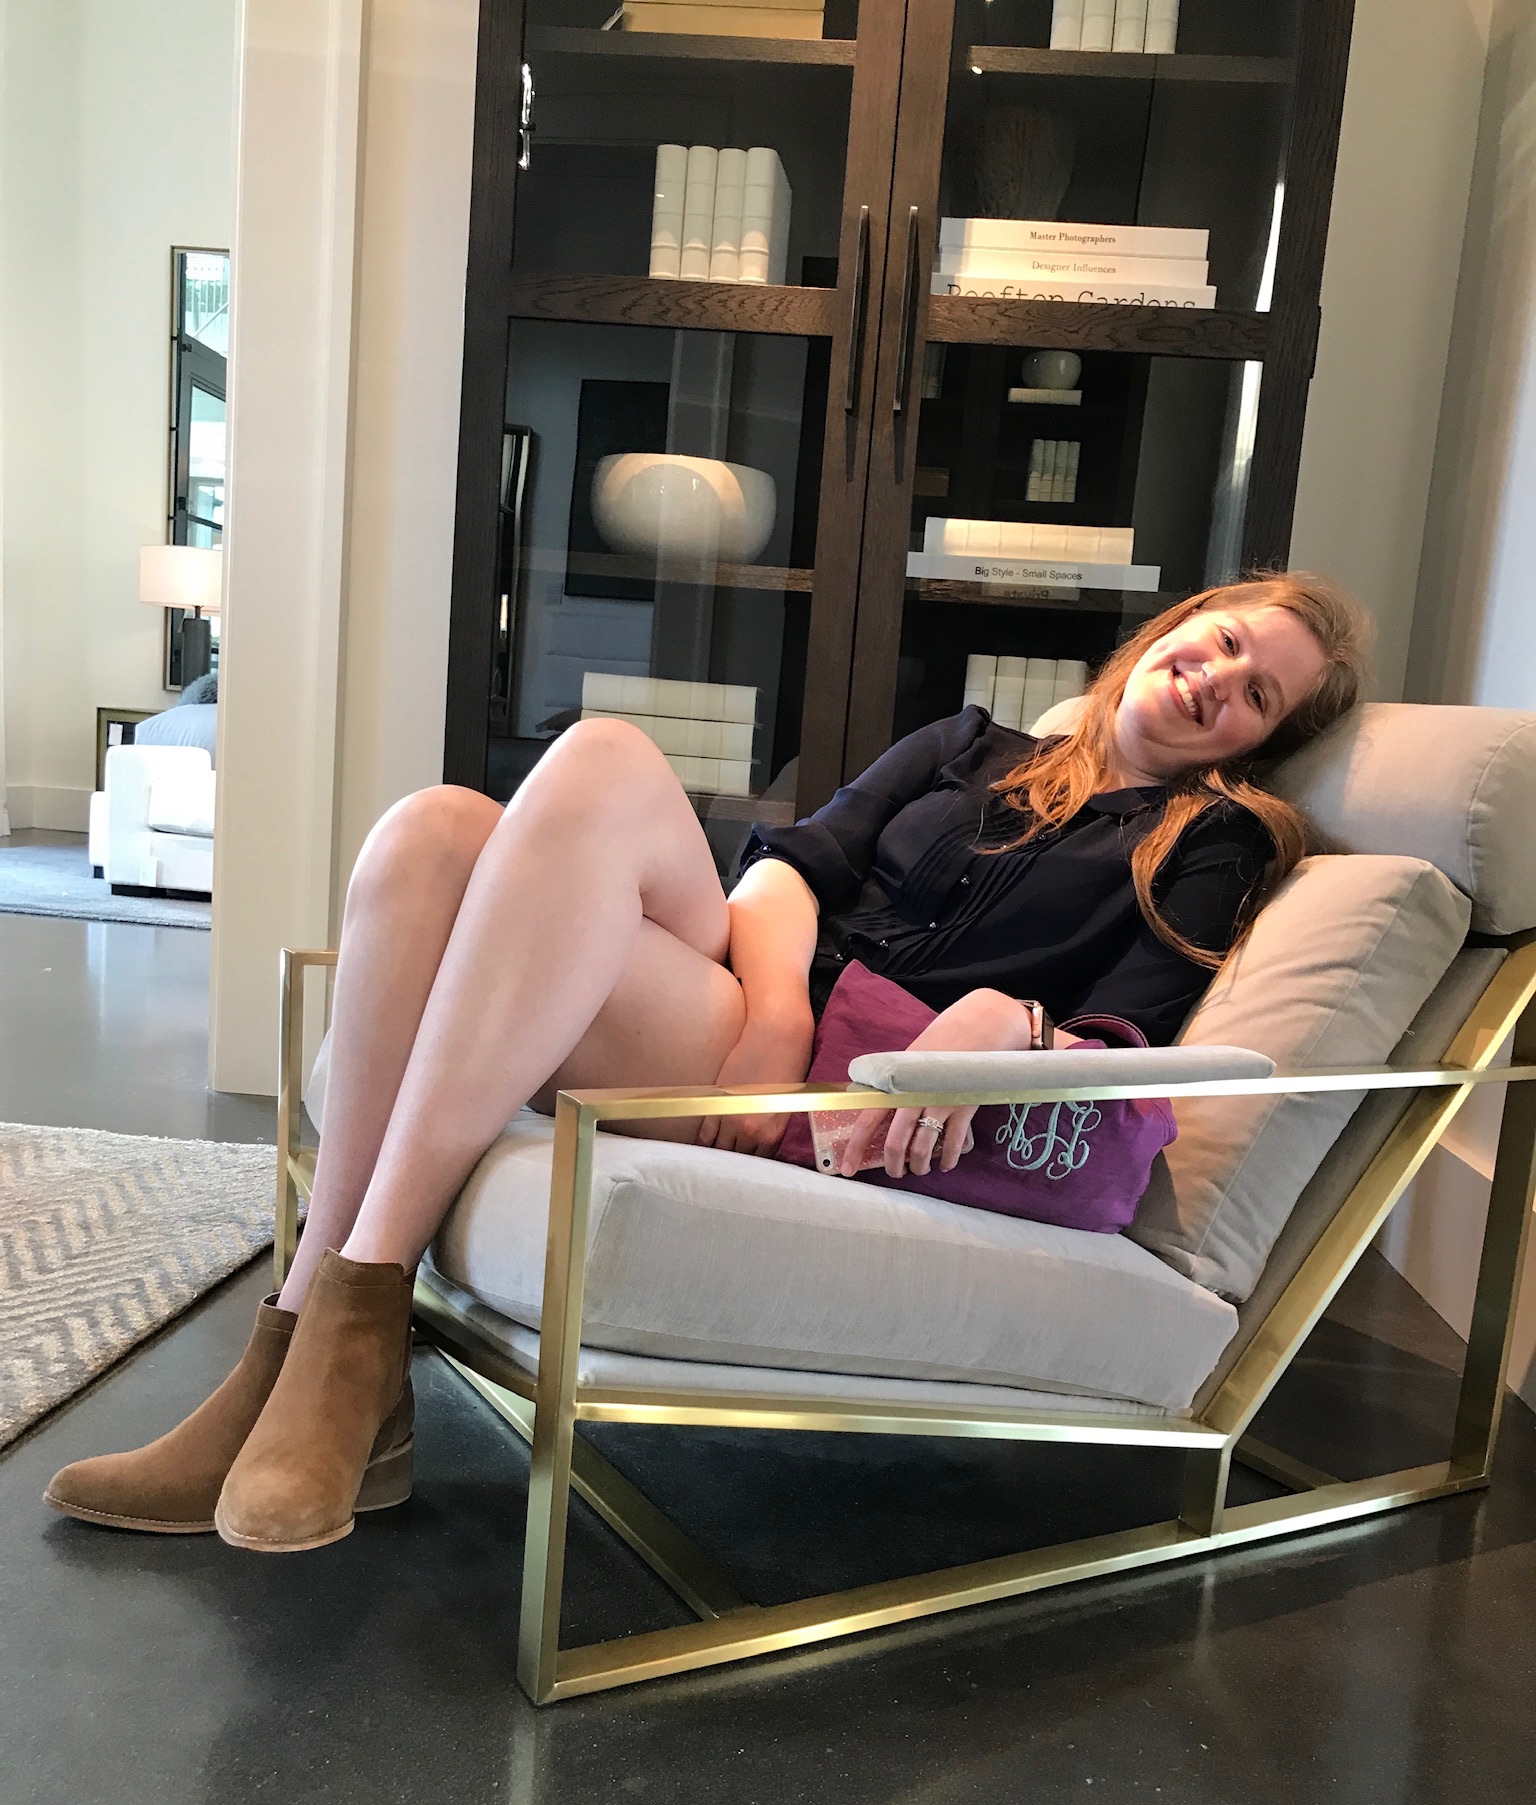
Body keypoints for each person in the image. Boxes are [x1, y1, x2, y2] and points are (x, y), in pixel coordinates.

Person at [46, 570, 1369, 1552]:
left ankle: (345, 1334)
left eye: (1258, 693)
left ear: (1258, 740)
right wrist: (774, 1006)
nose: (1218, 680)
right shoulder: (971, 745)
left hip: (851, 1084)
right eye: (1226, 641)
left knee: (549, 783)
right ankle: (304, 1341)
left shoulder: (1218, 838)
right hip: (755, 1006)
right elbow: (792, 867)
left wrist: (1004, 1019)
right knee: (437, 830)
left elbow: (1129, 1038)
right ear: (1183, 622)